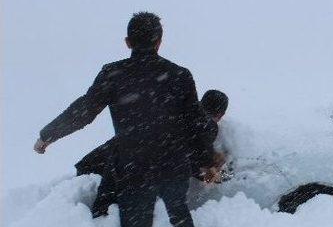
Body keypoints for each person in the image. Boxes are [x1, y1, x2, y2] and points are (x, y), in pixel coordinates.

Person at [34, 12, 219, 227]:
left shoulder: (113, 74)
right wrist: (207, 160)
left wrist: (48, 135)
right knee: (179, 213)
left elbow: (84, 110)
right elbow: (195, 123)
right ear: (160, 41)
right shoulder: (179, 75)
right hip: (172, 163)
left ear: (127, 42)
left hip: (134, 166)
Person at [76, 89, 229, 218]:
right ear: (220, 115)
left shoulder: (173, 114)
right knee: (108, 226)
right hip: (123, 171)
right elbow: (198, 160)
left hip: (95, 163)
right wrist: (222, 175)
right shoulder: (206, 125)